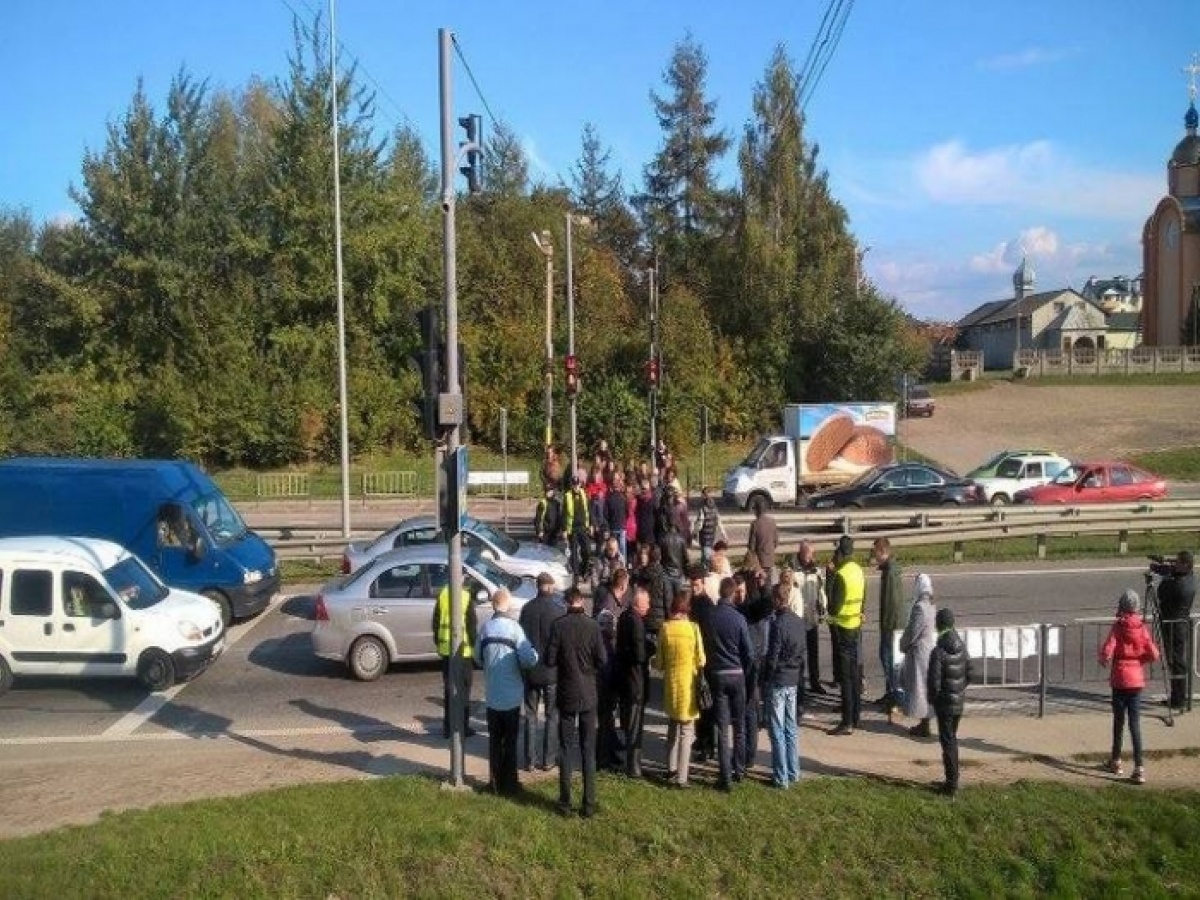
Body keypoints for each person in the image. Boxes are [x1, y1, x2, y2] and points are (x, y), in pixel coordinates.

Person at [544, 586, 607, 818]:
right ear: (581, 601)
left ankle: (565, 801)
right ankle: (589, 803)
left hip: (567, 692)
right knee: (588, 749)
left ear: (565, 602)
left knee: (565, 747)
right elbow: (602, 658)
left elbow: (550, 660)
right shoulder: (592, 626)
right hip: (589, 693)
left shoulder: (558, 626)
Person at [475, 588, 539, 796]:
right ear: (508, 605)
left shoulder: (485, 629)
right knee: (510, 742)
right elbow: (528, 659)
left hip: (492, 696)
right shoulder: (514, 629)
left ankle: (493, 783)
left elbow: (477, 657)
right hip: (512, 697)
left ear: (494, 605)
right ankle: (510, 783)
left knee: (494, 741)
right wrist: (535, 654)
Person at [1099, 589, 1160, 785]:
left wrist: (1104, 659)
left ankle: (1116, 761)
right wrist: (1140, 660)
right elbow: (1154, 653)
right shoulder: (1141, 628)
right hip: (1136, 680)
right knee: (1135, 725)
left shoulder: (1118, 627)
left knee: (1118, 723)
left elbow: (1109, 647)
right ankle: (1139, 767)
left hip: (1119, 679)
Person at [702, 577, 755, 791]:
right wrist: (746, 670)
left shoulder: (709, 617)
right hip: (737, 674)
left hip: (717, 674)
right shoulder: (738, 618)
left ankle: (725, 777)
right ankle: (739, 769)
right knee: (739, 725)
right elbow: (749, 653)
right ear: (732, 594)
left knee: (722, 728)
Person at [653, 590, 706, 788]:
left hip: (671, 685)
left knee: (672, 728)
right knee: (687, 732)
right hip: (689, 685)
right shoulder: (693, 629)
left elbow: (659, 663)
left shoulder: (665, 628)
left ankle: (670, 769)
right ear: (687, 609)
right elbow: (702, 659)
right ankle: (683, 777)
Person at [518, 573, 564, 771]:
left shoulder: (527, 609)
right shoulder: (558, 610)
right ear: (551, 587)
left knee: (530, 714)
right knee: (552, 715)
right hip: (551, 671)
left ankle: (529, 760)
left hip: (531, 670)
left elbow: (522, 639)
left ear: (538, 587)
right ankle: (548, 759)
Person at [763, 581, 806, 788]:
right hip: (793, 678)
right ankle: (793, 770)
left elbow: (773, 656)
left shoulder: (777, 625)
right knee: (791, 727)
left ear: (777, 600)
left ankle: (781, 776)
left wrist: (766, 677)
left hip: (779, 679)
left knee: (777, 729)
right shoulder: (798, 622)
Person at [927, 607, 973, 797]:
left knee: (948, 743)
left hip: (944, 704)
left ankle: (951, 783)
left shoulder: (938, 651)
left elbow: (934, 682)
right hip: (958, 701)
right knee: (951, 739)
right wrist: (960, 689)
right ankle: (952, 779)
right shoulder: (962, 646)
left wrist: (934, 699)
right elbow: (970, 672)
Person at [826, 535, 865, 736]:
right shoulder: (858, 570)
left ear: (840, 552)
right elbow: (862, 599)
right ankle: (856, 716)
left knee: (846, 678)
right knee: (855, 674)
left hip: (843, 628)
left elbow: (835, 607)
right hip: (856, 625)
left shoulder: (841, 574)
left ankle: (847, 721)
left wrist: (830, 579)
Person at [431, 581, 479, 739]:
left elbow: (435, 622)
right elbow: (472, 627)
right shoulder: (465, 596)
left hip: (446, 651)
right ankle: (462, 727)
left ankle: (447, 727)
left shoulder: (443, 594)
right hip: (463, 652)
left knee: (449, 689)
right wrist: (474, 648)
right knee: (464, 691)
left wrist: (440, 643)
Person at [616, 583, 653, 777]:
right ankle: (634, 767)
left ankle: (632, 765)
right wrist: (651, 649)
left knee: (629, 723)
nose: (649, 606)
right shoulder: (637, 622)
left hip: (626, 679)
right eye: (647, 603)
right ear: (638, 604)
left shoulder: (624, 617)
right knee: (635, 725)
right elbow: (639, 655)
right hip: (636, 682)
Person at [1155, 550, 1195, 710]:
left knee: (1176, 662)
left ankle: (1178, 699)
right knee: (1177, 661)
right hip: (1179, 624)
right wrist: (1171, 571)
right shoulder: (1190, 577)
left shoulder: (1179, 584)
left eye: (1178, 562)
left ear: (1185, 565)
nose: (1174, 564)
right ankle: (1177, 696)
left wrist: (1165, 577)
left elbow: (1161, 593)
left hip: (1173, 625)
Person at [900, 573, 937, 737]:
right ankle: (925, 722)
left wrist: (903, 644)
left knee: (920, 688)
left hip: (919, 652)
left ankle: (924, 723)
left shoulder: (920, 607)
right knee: (925, 688)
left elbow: (912, 632)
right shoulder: (930, 605)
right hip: (927, 650)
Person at [871, 537, 906, 714]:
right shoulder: (888, 569)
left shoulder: (891, 572)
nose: (873, 556)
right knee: (887, 659)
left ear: (883, 552)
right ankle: (890, 693)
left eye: (875, 552)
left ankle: (896, 698)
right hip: (890, 623)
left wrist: (888, 627)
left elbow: (892, 603)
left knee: (889, 660)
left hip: (891, 625)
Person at [791, 540, 828, 698]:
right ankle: (799, 684)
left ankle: (815, 681)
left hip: (812, 616)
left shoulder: (816, 570)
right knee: (799, 653)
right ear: (801, 553)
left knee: (813, 652)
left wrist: (822, 609)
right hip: (798, 618)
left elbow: (821, 592)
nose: (810, 557)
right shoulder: (792, 570)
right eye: (808, 554)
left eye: (812, 555)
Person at [563, 477, 592, 581]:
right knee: (574, 552)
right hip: (573, 529)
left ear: (580, 485)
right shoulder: (567, 496)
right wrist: (564, 530)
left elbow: (589, 510)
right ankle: (576, 574)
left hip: (583, 527)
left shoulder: (584, 494)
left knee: (587, 551)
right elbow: (564, 514)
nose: (576, 487)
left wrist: (591, 525)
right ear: (571, 485)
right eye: (574, 485)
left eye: (577, 484)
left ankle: (584, 571)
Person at [746, 503, 779, 586]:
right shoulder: (772, 521)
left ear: (756, 511)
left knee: (759, 586)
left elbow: (751, 547)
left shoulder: (755, 524)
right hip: (770, 559)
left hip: (759, 562)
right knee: (769, 585)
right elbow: (776, 541)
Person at [605, 474, 629, 559]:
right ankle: (618, 566)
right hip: (616, 528)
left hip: (619, 527)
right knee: (617, 550)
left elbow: (627, 512)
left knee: (618, 550)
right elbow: (606, 514)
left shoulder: (621, 497)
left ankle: (620, 566)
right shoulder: (610, 498)